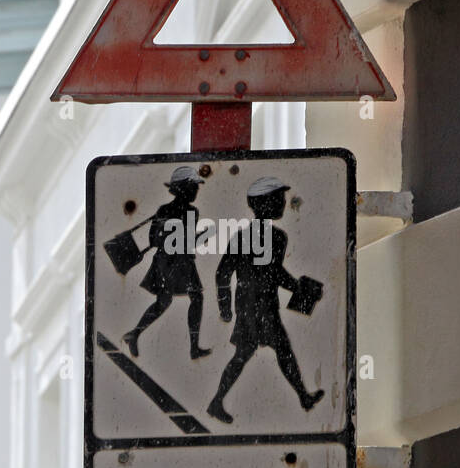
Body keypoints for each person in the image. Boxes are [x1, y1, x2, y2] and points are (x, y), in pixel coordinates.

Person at [206, 176, 324, 423]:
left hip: (261, 303)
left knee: (264, 352)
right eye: (278, 199)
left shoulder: (265, 237)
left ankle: (302, 396)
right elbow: (229, 273)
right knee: (268, 352)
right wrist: (225, 309)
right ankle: (217, 402)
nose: (283, 203)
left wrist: (299, 289)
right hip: (254, 306)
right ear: (262, 204)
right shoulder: (266, 238)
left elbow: (269, 272)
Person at [122, 165, 211, 361]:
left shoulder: (169, 210)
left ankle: (137, 334)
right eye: (193, 187)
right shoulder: (187, 212)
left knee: (181, 299)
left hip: (173, 260)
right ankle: (136, 334)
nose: (196, 191)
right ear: (181, 188)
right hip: (172, 262)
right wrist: (203, 237)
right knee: (173, 300)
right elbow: (182, 241)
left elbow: (157, 238)